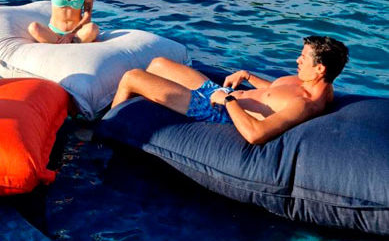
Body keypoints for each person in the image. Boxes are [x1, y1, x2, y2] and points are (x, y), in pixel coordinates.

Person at [111, 35, 349, 145]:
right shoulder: (312, 81)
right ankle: (134, 111)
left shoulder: (306, 105)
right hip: (221, 95)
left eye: (303, 58)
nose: (297, 60)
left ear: (320, 68)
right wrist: (248, 76)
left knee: (132, 77)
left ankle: (106, 131)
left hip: (218, 110)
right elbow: (275, 92)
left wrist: (228, 101)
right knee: (158, 64)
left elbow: (256, 134)